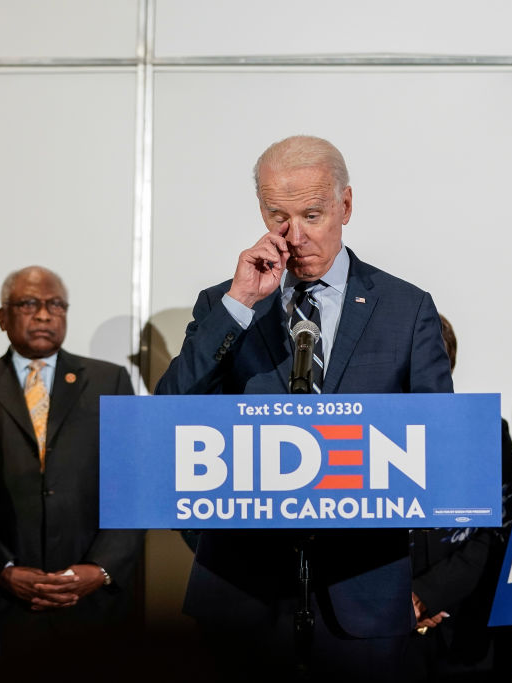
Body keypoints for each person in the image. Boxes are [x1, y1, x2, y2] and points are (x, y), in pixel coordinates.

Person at [154, 135, 453, 680]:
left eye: (313, 214)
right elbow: (169, 412)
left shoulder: (407, 309)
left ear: (345, 206)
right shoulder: (226, 304)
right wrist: (241, 304)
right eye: (278, 216)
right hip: (240, 591)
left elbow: (439, 448)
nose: (296, 236)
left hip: (361, 592)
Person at [0, 266, 144, 654]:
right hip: (1, 601)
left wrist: (101, 568)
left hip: (93, 600)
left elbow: (134, 484)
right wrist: (1, 571)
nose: (44, 314)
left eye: (56, 304)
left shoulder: (110, 380)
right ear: (2, 317)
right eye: (29, 303)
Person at [407, 315, 512, 682]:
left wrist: (424, 595)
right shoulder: (358, 435)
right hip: (384, 631)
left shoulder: (486, 430)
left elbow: (503, 531)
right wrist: (397, 601)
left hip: (472, 632)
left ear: (448, 363)